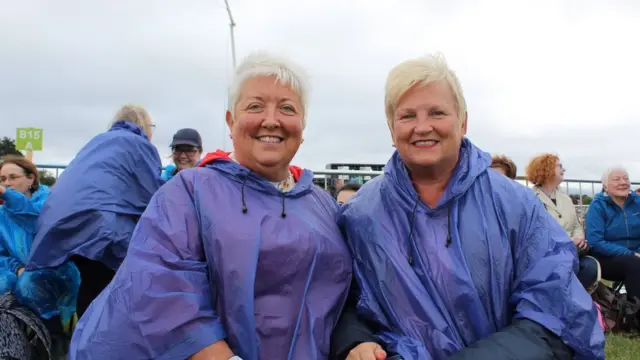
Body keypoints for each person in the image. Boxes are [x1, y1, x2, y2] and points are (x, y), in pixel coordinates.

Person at [68, 53, 352, 360]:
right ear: (231, 121)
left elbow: (345, 296)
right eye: (255, 106)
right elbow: (161, 287)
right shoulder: (188, 192)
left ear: (302, 125)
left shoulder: (323, 205)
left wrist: (356, 342)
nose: (271, 120)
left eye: (287, 108)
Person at [333, 53, 603, 360]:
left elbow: (554, 310)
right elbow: (341, 297)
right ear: (391, 128)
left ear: (463, 121)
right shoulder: (360, 215)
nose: (422, 127)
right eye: (408, 116)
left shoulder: (514, 204)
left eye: (437, 112)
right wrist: (355, 340)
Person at [27, 104, 164, 317]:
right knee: (113, 285)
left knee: (87, 285)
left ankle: (79, 338)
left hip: (60, 224)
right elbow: (152, 195)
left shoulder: (96, 142)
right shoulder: (140, 145)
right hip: (102, 226)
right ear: (146, 125)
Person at [0, 156, 80, 332]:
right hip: (21, 269)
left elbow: (33, 223)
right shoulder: (1, 214)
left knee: (28, 283)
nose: (7, 183)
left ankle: (54, 329)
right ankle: (14, 330)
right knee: (3, 282)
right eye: (3, 179)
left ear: (31, 178)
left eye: (13, 177)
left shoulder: (49, 203)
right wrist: (16, 268)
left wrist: (8, 196)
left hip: (55, 268)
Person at [526, 154, 600, 293]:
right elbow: (534, 232)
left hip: (572, 252)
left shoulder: (566, 199)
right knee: (564, 267)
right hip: (547, 254)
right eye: (559, 166)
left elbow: (576, 225)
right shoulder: (529, 198)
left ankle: (570, 302)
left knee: (590, 266)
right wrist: (566, 241)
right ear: (546, 169)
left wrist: (579, 239)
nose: (563, 169)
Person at [585, 166, 640, 300]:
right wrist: (631, 253)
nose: (623, 182)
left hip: (637, 253)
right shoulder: (598, 206)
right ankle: (635, 313)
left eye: (626, 178)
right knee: (634, 264)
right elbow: (595, 242)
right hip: (607, 258)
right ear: (605, 186)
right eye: (616, 179)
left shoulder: (637, 202)